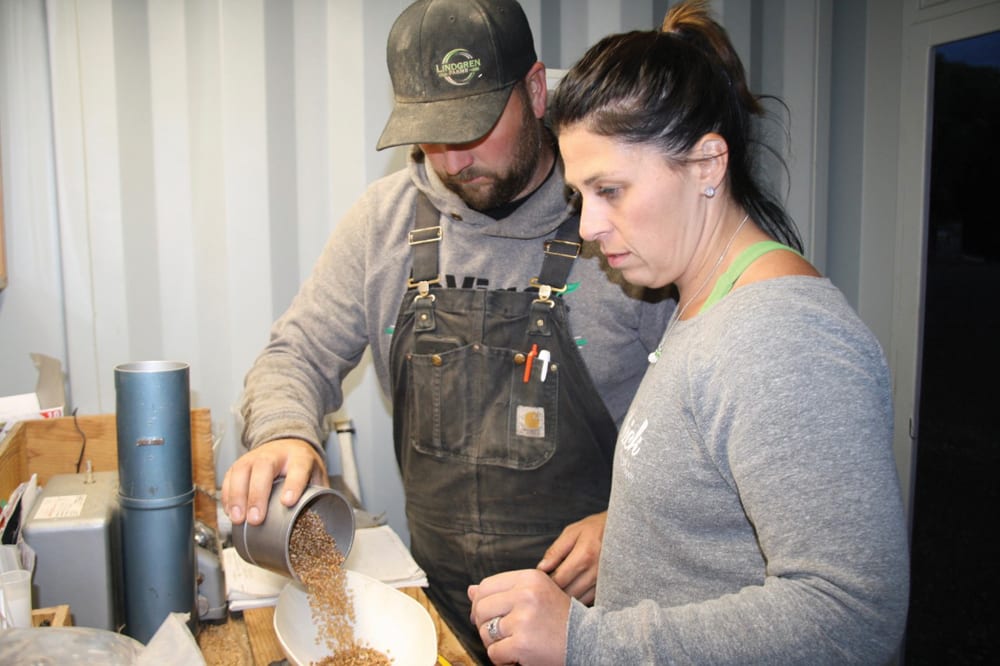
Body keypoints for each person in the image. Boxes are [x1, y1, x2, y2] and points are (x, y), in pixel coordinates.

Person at [220, 0, 672, 661]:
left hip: (593, 627)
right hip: (440, 619)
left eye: (476, 125)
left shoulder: (617, 221)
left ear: (536, 91)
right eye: (434, 134)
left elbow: (709, 428)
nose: (455, 161)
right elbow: (294, 355)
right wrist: (283, 431)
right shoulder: (385, 222)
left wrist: (635, 526)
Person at [467, 1, 911, 664]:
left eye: (610, 190)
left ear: (707, 164)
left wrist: (587, 641)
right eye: (580, 195)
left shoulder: (782, 337)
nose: (586, 227)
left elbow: (851, 615)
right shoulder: (702, 305)